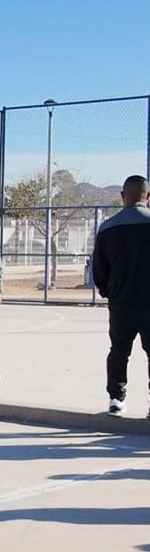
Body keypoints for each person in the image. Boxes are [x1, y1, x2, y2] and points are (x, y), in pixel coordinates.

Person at [92, 174, 150, 418]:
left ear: (122, 196)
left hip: (121, 303)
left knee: (119, 350)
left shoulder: (108, 227)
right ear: (147, 197)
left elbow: (99, 268)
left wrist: (109, 291)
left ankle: (116, 398)